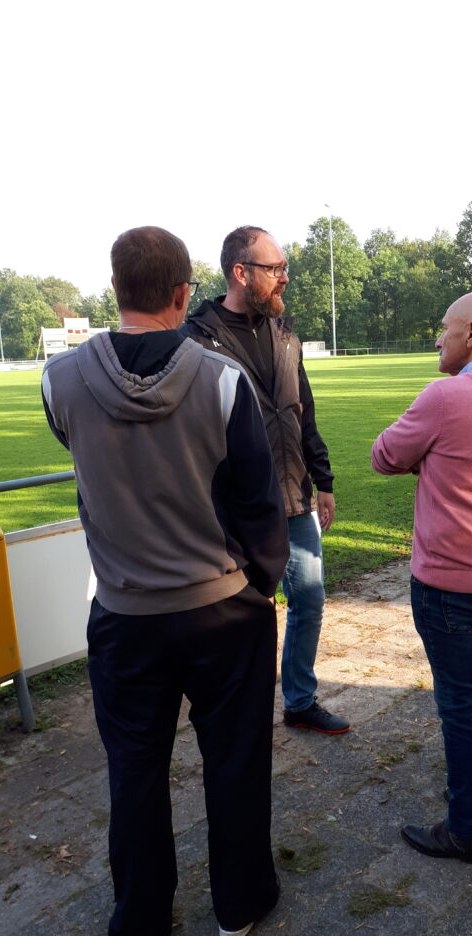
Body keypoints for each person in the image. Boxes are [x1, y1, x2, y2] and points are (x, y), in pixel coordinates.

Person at [41, 226, 289, 936]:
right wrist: (260, 584)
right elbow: (259, 503)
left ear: (116, 289)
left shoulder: (60, 381)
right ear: (184, 294)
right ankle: (238, 903)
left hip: (124, 614)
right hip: (222, 611)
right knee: (236, 762)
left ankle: (142, 918)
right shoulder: (223, 380)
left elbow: (84, 451)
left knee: (135, 769)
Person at [371, 291, 472, 864]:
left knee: (461, 705)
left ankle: (467, 829)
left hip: (448, 584)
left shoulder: (446, 396)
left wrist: (429, 459)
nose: (437, 339)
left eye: (443, 329)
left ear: (471, 333)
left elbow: (384, 455)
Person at [185, 226, 348, 735]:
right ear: (241, 273)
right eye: (275, 268)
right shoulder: (196, 340)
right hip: (234, 509)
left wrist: (323, 478)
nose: (285, 277)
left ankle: (299, 700)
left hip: (294, 497)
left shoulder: (285, 335)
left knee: (310, 600)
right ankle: (239, 713)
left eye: (283, 268)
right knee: (242, 614)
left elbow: (304, 411)